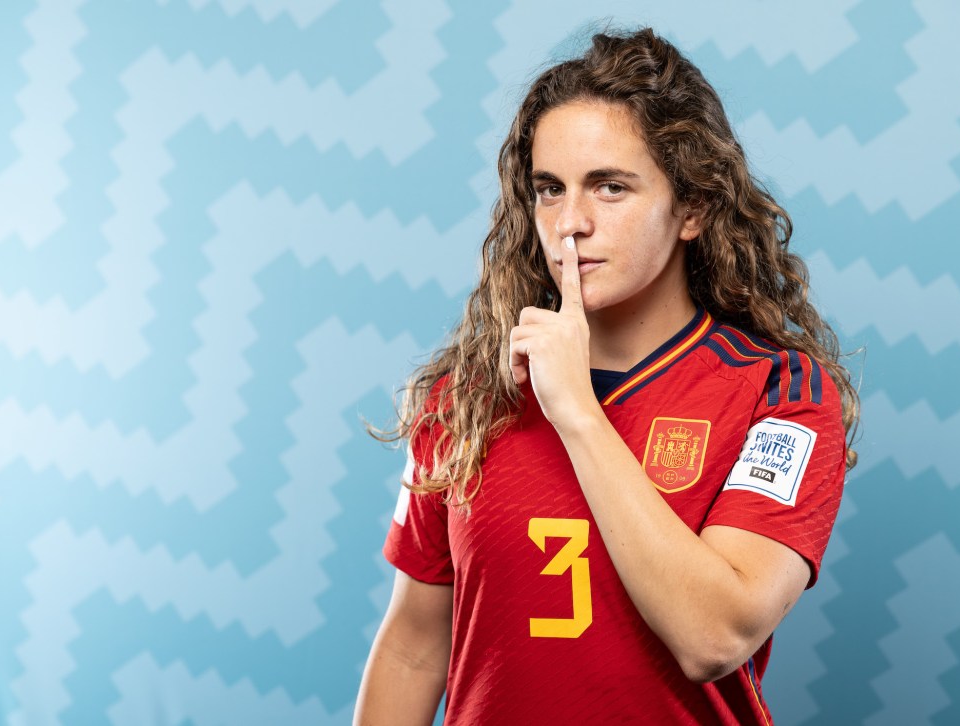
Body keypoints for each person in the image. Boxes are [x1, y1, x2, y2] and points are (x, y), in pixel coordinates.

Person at [354, 27, 859, 725]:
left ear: (693, 208)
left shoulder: (778, 397)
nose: (571, 223)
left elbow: (716, 636)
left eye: (610, 188)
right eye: (550, 190)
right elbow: (414, 646)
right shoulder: (468, 398)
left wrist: (579, 414)